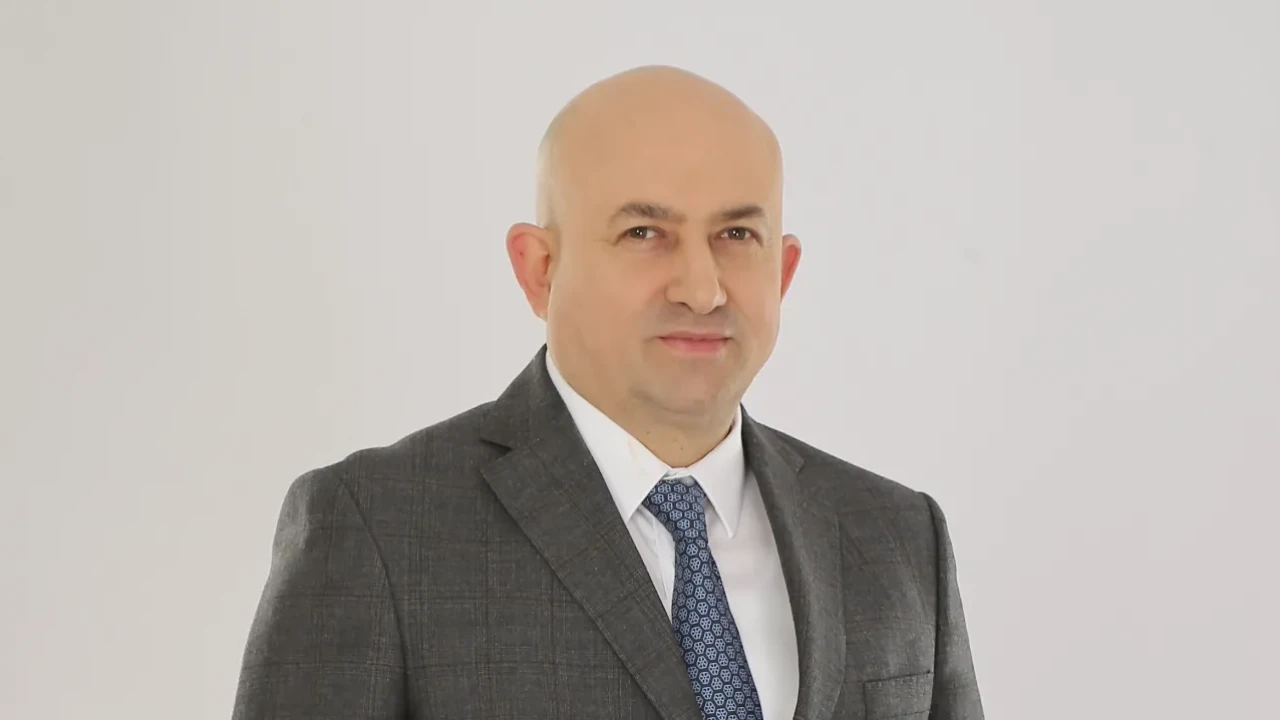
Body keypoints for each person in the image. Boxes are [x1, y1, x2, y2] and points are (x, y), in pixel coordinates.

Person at [232, 65, 984, 720]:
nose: (701, 289)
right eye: (644, 234)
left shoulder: (897, 536)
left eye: (736, 236)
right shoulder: (380, 529)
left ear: (782, 273)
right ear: (539, 269)